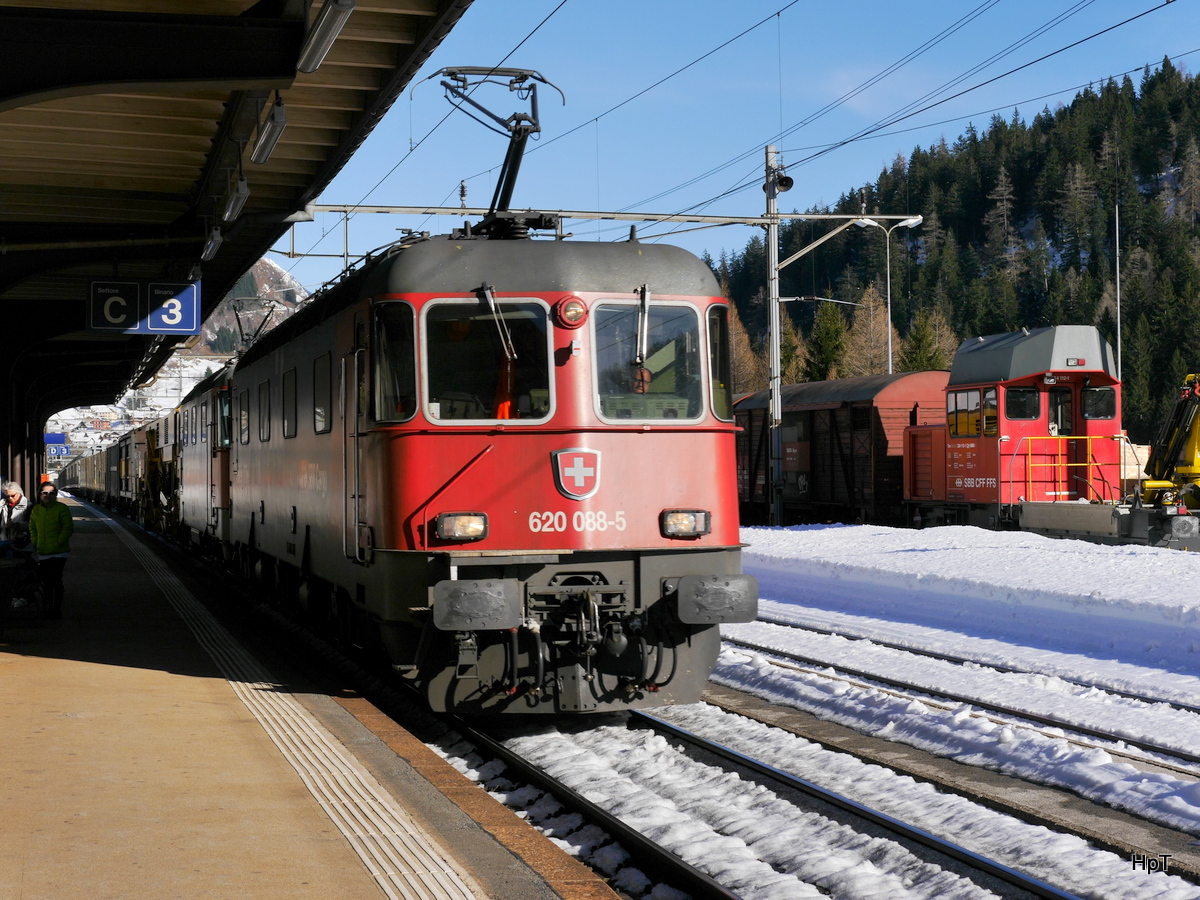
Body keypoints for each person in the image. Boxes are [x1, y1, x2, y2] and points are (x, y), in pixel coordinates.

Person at [28, 482, 72, 619]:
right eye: (45, 493)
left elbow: (68, 527)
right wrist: (35, 542)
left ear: (56, 495)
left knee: (56, 579)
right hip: (43, 552)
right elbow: (32, 527)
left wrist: (59, 542)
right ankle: (48, 607)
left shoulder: (62, 509)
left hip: (59, 552)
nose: (48, 496)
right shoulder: (36, 510)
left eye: (51, 493)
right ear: (40, 494)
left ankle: (56, 609)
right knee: (47, 582)